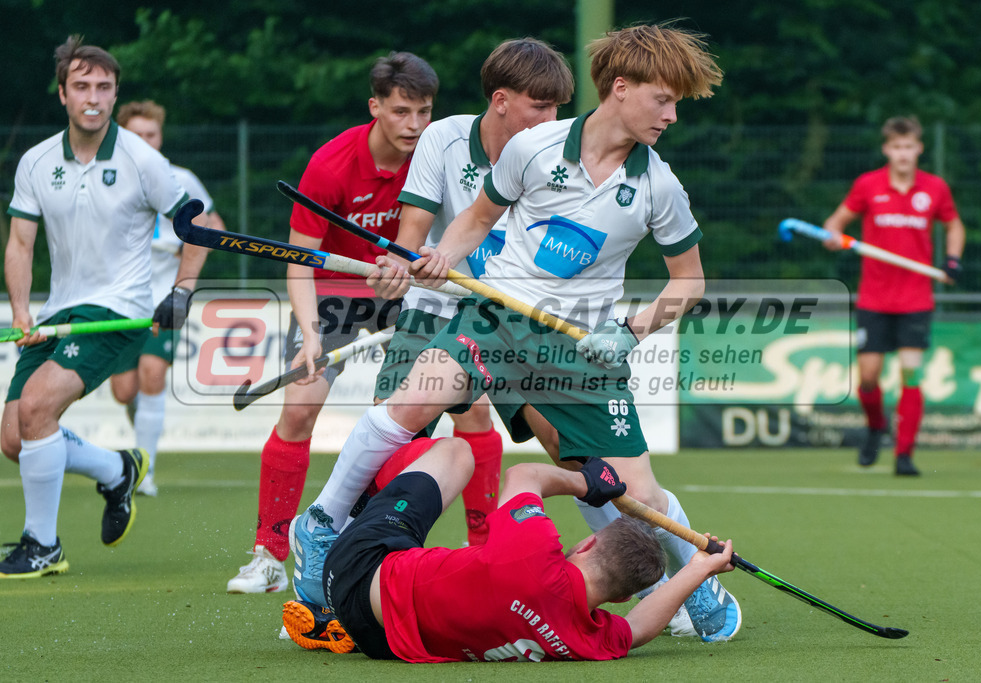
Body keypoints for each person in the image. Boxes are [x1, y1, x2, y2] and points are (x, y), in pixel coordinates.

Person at [291, 25, 742, 642]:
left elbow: (688, 283)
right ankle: (321, 523)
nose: (670, 115)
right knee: (412, 402)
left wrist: (632, 331)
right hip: (499, 318)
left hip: (582, 349)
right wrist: (442, 257)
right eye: (662, 99)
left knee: (637, 499)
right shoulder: (535, 147)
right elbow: (476, 219)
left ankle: (698, 578)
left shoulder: (658, 185)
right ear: (620, 88)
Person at [225, 52, 439, 594]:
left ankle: (383, 543)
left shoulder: (438, 156)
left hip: (409, 293)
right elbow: (301, 261)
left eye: (424, 112)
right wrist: (311, 336)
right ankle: (269, 554)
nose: (414, 125)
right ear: (375, 107)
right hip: (334, 295)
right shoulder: (331, 165)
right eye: (401, 111)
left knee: (411, 419)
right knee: (299, 406)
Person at [0, 36, 210, 578]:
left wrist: (182, 290)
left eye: (103, 87)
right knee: (13, 438)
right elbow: (21, 242)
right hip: (58, 312)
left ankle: (42, 544)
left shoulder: (144, 160)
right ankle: (117, 469)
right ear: (63, 94)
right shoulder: (36, 162)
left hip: (120, 311)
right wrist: (22, 312)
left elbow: (201, 224)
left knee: (38, 408)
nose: (92, 97)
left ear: (115, 95)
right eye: (81, 86)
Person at [370, 37, 574, 547]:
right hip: (436, 310)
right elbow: (413, 231)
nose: (552, 119)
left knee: (568, 443)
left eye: (557, 107)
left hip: (511, 319)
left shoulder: (561, 158)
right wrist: (399, 266)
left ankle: (643, 573)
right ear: (501, 100)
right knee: (384, 432)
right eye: (540, 105)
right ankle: (337, 552)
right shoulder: (444, 138)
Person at [281, 438, 736, 660]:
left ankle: (322, 529)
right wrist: (697, 568)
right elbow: (637, 628)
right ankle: (336, 621)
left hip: (360, 569)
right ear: (618, 598)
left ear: (587, 542)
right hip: (383, 643)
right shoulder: (588, 638)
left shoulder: (535, 553)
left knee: (453, 451)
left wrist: (588, 484)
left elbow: (522, 476)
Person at [823, 116, 965, 476]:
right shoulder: (869, 185)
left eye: (909, 147)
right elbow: (835, 225)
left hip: (916, 299)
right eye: (896, 147)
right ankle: (876, 427)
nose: (903, 154)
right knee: (868, 378)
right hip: (874, 297)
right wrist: (832, 236)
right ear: (887, 149)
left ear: (919, 148)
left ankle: (904, 455)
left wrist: (952, 259)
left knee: (911, 376)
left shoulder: (934, 188)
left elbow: (954, 225)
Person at [107, 100, 228, 497]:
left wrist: (187, 259)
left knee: (153, 373)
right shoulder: (108, 180)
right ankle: (143, 434)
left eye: (152, 135)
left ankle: (146, 472)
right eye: (137, 136)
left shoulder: (181, 179)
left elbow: (214, 226)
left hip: (165, 298)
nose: (146, 142)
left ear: (161, 137)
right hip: (121, 302)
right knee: (125, 390)